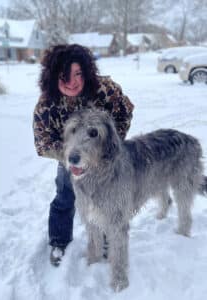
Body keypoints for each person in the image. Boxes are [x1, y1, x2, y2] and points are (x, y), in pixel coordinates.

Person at [33, 44, 134, 266]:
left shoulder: (105, 89)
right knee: (65, 197)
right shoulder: (46, 104)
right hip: (71, 160)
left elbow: (125, 112)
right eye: (64, 75)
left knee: (108, 200)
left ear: (86, 72)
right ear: (53, 76)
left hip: (105, 157)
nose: (73, 82)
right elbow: (43, 143)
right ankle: (59, 241)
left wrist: (107, 146)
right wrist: (73, 157)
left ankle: (107, 240)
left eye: (78, 73)